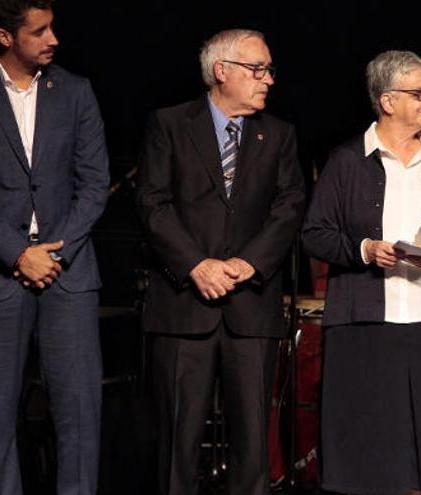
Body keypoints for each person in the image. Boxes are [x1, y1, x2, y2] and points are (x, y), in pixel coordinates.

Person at [0, 0, 109, 493]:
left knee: (79, 412)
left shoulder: (75, 91)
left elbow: (96, 183)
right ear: (5, 37)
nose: (53, 38)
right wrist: (18, 253)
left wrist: (53, 253)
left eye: (53, 27)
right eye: (39, 31)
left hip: (67, 272)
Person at [301, 50, 421, 494]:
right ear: (387, 101)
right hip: (365, 327)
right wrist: (364, 250)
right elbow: (314, 233)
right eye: (419, 93)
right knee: (372, 456)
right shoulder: (347, 162)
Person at [136, 29, 305, 495]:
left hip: (251, 310)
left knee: (252, 448)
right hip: (184, 307)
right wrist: (196, 265)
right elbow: (153, 203)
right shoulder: (169, 124)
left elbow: (290, 205)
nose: (268, 79)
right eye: (258, 68)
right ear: (221, 71)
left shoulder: (280, 134)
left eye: (269, 69)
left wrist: (250, 263)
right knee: (178, 445)